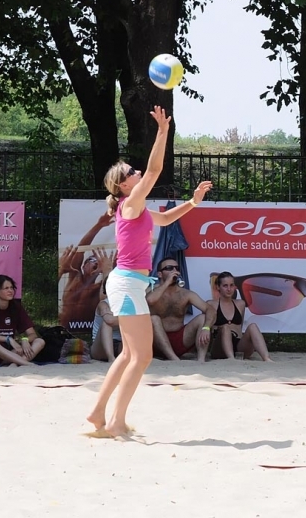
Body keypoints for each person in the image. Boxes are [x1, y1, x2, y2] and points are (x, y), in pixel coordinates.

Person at [86, 105, 213, 438]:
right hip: (127, 285)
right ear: (123, 186)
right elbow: (155, 169)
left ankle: (98, 412)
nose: (138, 171)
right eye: (131, 171)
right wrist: (163, 131)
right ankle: (115, 421)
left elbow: (167, 219)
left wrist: (193, 202)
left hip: (130, 285)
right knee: (141, 357)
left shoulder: (137, 209)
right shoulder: (130, 204)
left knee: (131, 354)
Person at [148, 257, 215, 362]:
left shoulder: (185, 294)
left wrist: (206, 328)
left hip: (179, 340)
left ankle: (201, 360)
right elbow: (150, 300)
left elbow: (210, 309)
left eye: (177, 268)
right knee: (154, 319)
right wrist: (166, 283)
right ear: (160, 274)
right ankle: (174, 360)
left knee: (202, 318)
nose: (174, 271)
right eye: (169, 268)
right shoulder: (151, 290)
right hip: (156, 343)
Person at [0, 275, 47, 366]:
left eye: (11, 288)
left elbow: (32, 334)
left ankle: (15, 364)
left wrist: (25, 339)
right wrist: (8, 339)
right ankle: (25, 363)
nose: (10, 291)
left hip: (7, 353)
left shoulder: (16, 307)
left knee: (39, 341)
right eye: (6, 288)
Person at [59, 212, 114, 330]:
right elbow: (81, 249)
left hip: (87, 328)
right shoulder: (75, 276)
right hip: (66, 327)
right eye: (92, 260)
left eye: (98, 262)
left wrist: (108, 269)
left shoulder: (100, 287)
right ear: (83, 265)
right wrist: (99, 225)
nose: (96, 263)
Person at [206, 271, 273, 362]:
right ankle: (231, 359)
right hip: (219, 346)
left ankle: (266, 358)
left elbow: (240, 327)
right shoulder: (211, 304)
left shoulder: (240, 304)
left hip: (238, 344)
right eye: (225, 286)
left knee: (253, 326)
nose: (229, 289)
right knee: (225, 328)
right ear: (218, 287)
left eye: (231, 285)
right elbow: (206, 328)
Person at [90, 287, 122, 363]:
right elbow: (109, 320)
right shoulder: (103, 304)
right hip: (100, 348)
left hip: (121, 344)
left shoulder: (128, 304)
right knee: (106, 323)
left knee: (134, 325)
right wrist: (127, 318)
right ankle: (111, 358)